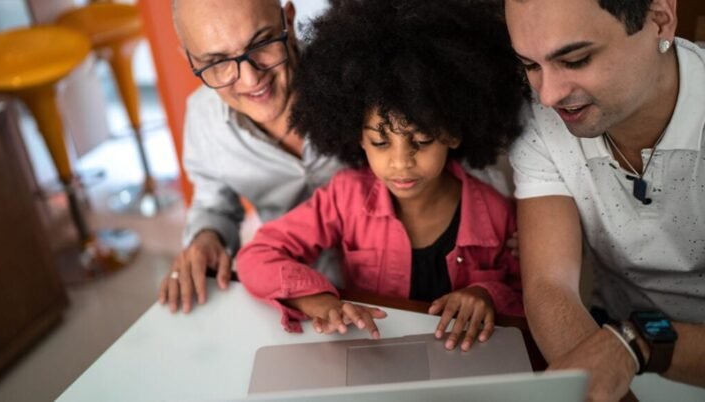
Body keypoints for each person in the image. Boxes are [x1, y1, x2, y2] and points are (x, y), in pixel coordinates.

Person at [237, 0, 527, 352]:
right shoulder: (345, 199)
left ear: (452, 133)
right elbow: (258, 256)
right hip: (375, 356)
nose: (400, 162)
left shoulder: (499, 215)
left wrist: (487, 295)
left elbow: (531, 295)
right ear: (357, 135)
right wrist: (318, 301)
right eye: (380, 141)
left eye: (421, 140)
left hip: (465, 359)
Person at [504, 0, 705, 399]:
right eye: (530, 65)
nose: (548, 96)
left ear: (659, 20)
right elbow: (549, 286)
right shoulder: (540, 120)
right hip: (606, 336)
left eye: (575, 60)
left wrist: (637, 344)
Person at [159, 0, 344, 313]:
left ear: (288, 19)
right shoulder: (204, 119)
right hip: (302, 297)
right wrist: (207, 238)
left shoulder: (356, 73)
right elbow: (214, 205)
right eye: (217, 61)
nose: (250, 79)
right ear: (191, 59)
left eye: (261, 43)